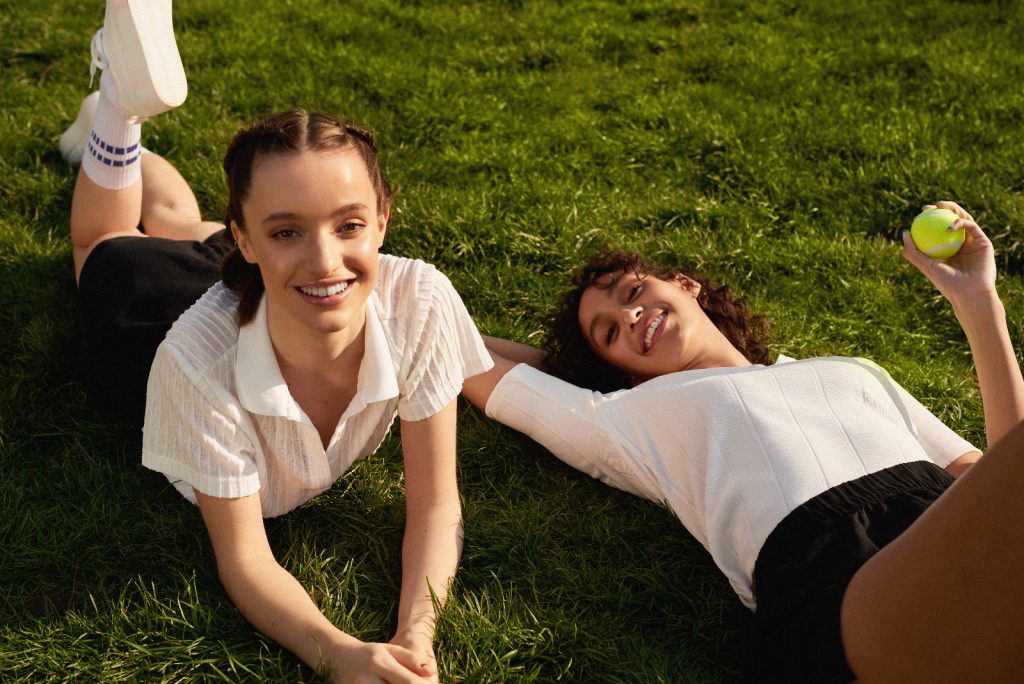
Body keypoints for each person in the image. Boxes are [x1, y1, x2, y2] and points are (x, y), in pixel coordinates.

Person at [61, 3, 492, 681]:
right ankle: (116, 108)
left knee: (177, 217)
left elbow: (436, 501)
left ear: (383, 218)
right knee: (105, 245)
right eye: (287, 229)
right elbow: (245, 560)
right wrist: (341, 653)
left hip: (260, 287)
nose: (326, 259)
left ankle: (114, 131)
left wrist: (417, 630)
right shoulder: (193, 367)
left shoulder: (423, 299)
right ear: (247, 238)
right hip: (147, 322)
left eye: (347, 224)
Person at [462, 204, 1024, 681]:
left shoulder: (851, 369)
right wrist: (396, 294)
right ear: (621, 373)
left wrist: (978, 300)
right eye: (609, 332)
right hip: (842, 578)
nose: (629, 313)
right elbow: (466, 356)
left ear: (684, 283)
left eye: (632, 290)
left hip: (951, 528)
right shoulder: (628, 417)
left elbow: (994, 469)